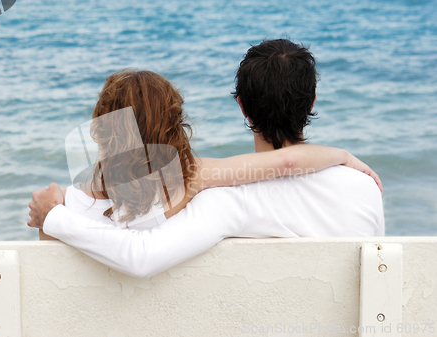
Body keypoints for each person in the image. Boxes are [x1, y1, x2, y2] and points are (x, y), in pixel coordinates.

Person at [28, 39, 385, 278]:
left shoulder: (229, 198)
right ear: (312, 101)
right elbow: (285, 164)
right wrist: (341, 156)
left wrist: (55, 216)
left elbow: (141, 254)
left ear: (241, 105)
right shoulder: (365, 188)